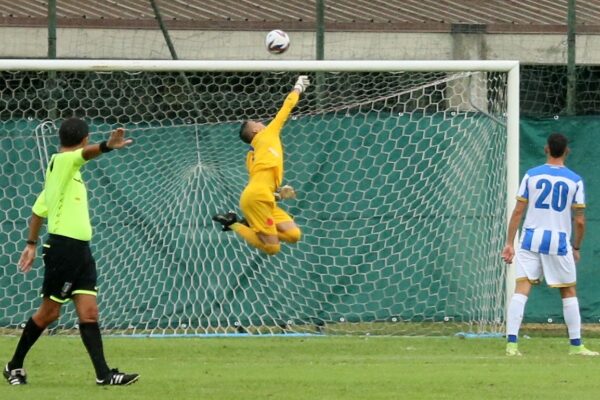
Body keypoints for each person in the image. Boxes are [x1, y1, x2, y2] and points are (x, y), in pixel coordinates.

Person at [4, 118, 140, 385]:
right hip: (63, 249)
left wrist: (30, 244)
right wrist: (107, 146)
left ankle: (104, 375)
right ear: (85, 139)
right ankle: (13, 366)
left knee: (89, 313)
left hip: (80, 252)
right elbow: (84, 155)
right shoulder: (64, 161)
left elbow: (37, 211)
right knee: (50, 313)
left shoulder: (64, 177)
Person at [501, 133, 597, 356]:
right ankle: (576, 346)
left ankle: (512, 344)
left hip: (530, 238)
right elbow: (580, 220)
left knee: (521, 288)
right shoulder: (574, 180)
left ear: (546, 149)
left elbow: (518, 212)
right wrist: (576, 247)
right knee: (568, 290)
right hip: (558, 241)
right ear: (567, 151)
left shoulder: (531, 176)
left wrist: (509, 243)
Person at [212, 76, 310, 255]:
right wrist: (298, 87)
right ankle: (233, 223)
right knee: (272, 248)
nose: (261, 122)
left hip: (262, 198)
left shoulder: (254, 153)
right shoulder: (267, 135)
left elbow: (262, 182)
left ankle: (251, 223)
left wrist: (278, 194)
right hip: (256, 199)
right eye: (257, 122)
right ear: (256, 130)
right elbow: (286, 108)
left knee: (293, 235)